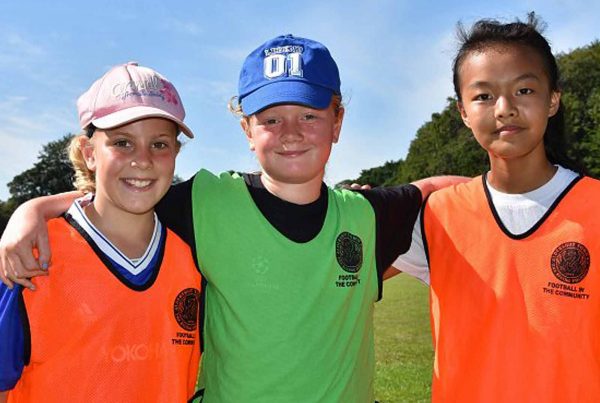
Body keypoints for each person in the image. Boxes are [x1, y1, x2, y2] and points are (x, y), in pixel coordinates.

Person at [0, 35, 464, 402]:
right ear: (245, 128)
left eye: (309, 115)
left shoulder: (369, 214)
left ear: (337, 121)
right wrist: (35, 208)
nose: (291, 134)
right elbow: (120, 192)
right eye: (271, 119)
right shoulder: (205, 201)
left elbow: (442, 191)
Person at [392, 13, 600, 402]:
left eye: (524, 90)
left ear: (552, 99)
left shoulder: (595, 207)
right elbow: (341, 277)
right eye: (484, 95)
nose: (504, 108)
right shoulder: (437, 215)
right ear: (463, 113)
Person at [0, 62, 202, 402]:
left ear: (176, 153)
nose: (142, 159)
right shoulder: (32, 252)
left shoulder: (193, 255)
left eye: (159, 144)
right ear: (89, 153)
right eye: (123, 143)